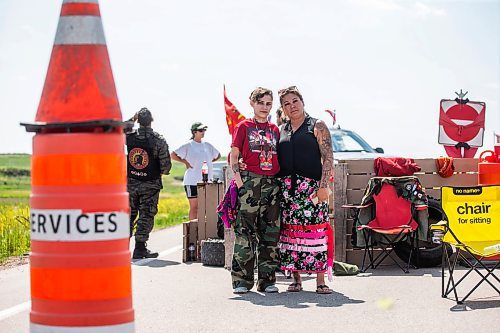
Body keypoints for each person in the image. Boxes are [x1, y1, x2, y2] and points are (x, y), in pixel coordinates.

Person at [277, 86, 335, 294]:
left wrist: (323, 186)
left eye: (295, 101)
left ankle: (320, 280)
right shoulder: (282, 129)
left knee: (316, 232)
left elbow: (328, 157)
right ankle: (296, 279)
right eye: (286, 104)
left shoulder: (317, 125)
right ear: (282, 108)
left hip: (312, 188)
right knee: (292, 233)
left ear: (302, 102)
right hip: (287, 190)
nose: (291, 106)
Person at [230, 87, 281, 294]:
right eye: (261, 103)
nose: (265, 107)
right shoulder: (243, 127)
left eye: (269, 103)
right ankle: (242, 281)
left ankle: (267, 281)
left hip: (272, 185)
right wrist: (241, 185)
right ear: (252, 103)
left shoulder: (275, 129)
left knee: (270, 234)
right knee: (245, 234)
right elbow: (234, 156)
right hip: (250, 184)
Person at [126, 107, 172, 259]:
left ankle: (121, 247)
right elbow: (166, 167)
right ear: (152, 121)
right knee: (146, 215)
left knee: (128, 215)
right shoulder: (158, 140)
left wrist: (131, 120)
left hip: (131, 184)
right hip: (150, 185)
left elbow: (118, 130)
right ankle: (139, 249)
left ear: (138, 120)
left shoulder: (129, 136)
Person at [170, 122, 221, 220]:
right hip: (192, 181)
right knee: (195, 208)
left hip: (208, 181)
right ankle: (194, 231)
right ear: (194, 132)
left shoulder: (208, 145)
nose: (203, 132)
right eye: (201, 130)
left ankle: (205, 230)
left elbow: (218, 155)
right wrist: (185, 162)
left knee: (208, 208)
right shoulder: (188, 145)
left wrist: (210, 161)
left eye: (204, 130)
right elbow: (172, 154)